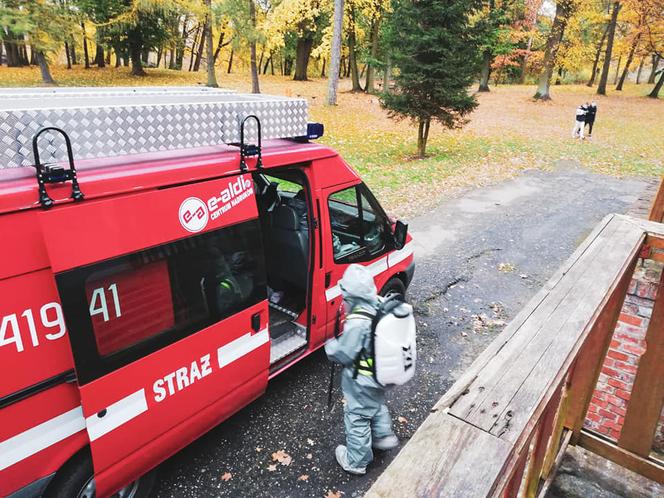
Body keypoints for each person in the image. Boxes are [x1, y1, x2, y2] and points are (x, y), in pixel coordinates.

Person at [325, 264, 399, 475]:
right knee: (375, 403)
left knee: (357, 416)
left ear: (350, 297)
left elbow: (345, 354)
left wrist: (331, 347)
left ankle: (356, 461)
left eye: (345, 297)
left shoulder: (357, 322)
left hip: (362, 379)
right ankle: (383, 435)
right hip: (381, 374)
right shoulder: (381, 305)